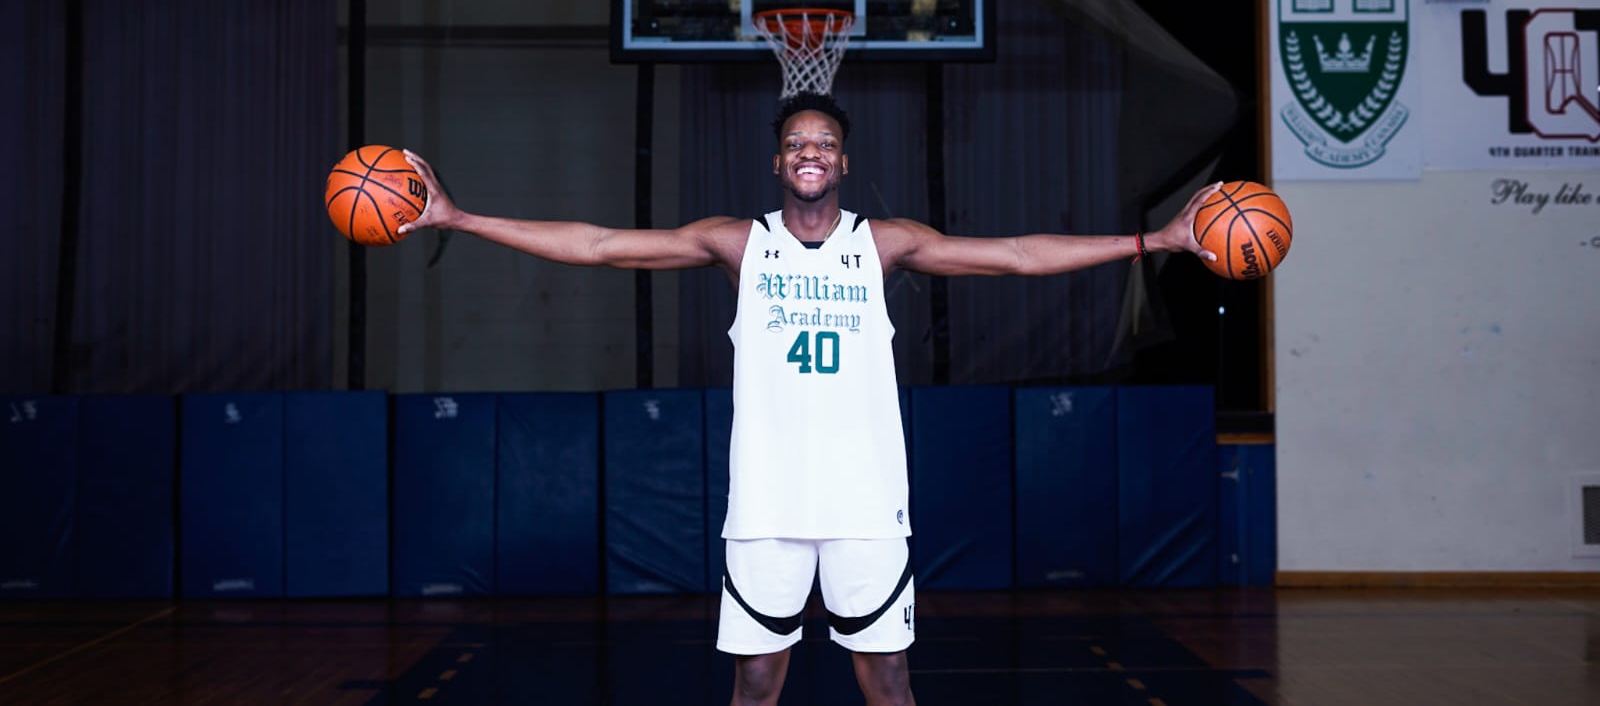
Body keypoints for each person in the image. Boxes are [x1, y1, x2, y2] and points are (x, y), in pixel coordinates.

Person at [399, 91, 1219, 706]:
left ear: (844, 163)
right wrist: (459, 218)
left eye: (825, 141)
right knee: (756, 683)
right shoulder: (738, 242)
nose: (811, 151)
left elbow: (1013, 256)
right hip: (767, 504)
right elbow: (601, 246)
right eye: (797, 142)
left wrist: (1158, 240)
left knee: (889, 680)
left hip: (866, 502)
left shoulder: (886, 244)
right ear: (778, 162)